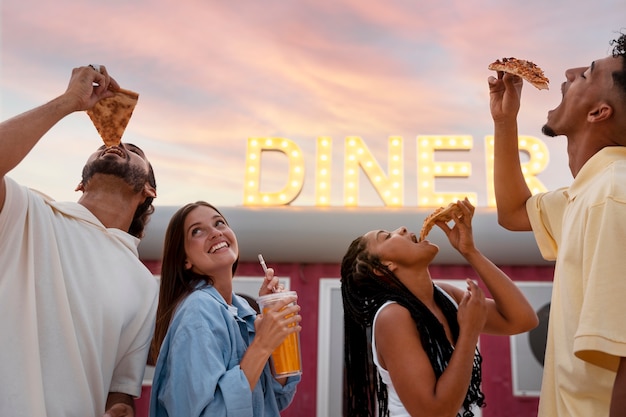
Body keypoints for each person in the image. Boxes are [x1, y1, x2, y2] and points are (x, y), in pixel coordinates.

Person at [0, 65, 159, 417]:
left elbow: (119, 390)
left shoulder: (144, 285)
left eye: (133, 149)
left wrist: (120, 407)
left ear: (148, 190)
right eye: (108, 143)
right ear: (80, 183)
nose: (116, 144)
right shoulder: (28, 214)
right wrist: (67, 102)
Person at [488, 32, 626, 417]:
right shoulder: (591, 192)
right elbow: (514, 212)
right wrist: (504, 120)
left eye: (587, 75)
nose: (569, 72)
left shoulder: (613, 195)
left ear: (599, 112)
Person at [341, 198, 538, 417]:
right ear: (384, 267)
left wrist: (470, 251)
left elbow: (522, 319)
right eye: (387, 236)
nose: (403, 228)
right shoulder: (393, 316)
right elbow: (434, 413)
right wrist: (469, 332)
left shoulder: (445, 295)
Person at [148, 201, 302, 417]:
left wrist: (277, 332)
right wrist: (262, 344)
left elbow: (276, 398)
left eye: (219, 223)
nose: (215, 232)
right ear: (185, 260)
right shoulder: (198, 311)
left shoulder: (241, 313)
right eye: (197, 231)